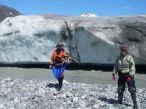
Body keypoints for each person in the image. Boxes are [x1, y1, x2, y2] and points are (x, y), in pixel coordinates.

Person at [112, 45, 138, 109]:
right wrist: (114, 73)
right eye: (122, 50)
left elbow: (133, 67)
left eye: (125, 50)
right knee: (120, 89)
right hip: (121, 75)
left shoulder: (130, 58)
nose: (123, 51)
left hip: (128, 75)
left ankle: (135, 105)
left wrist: (130, 75)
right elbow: (115, 66)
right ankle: (119, 102)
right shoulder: (118, 58)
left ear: (127, 51)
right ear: (121, 50)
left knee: (132, 90)